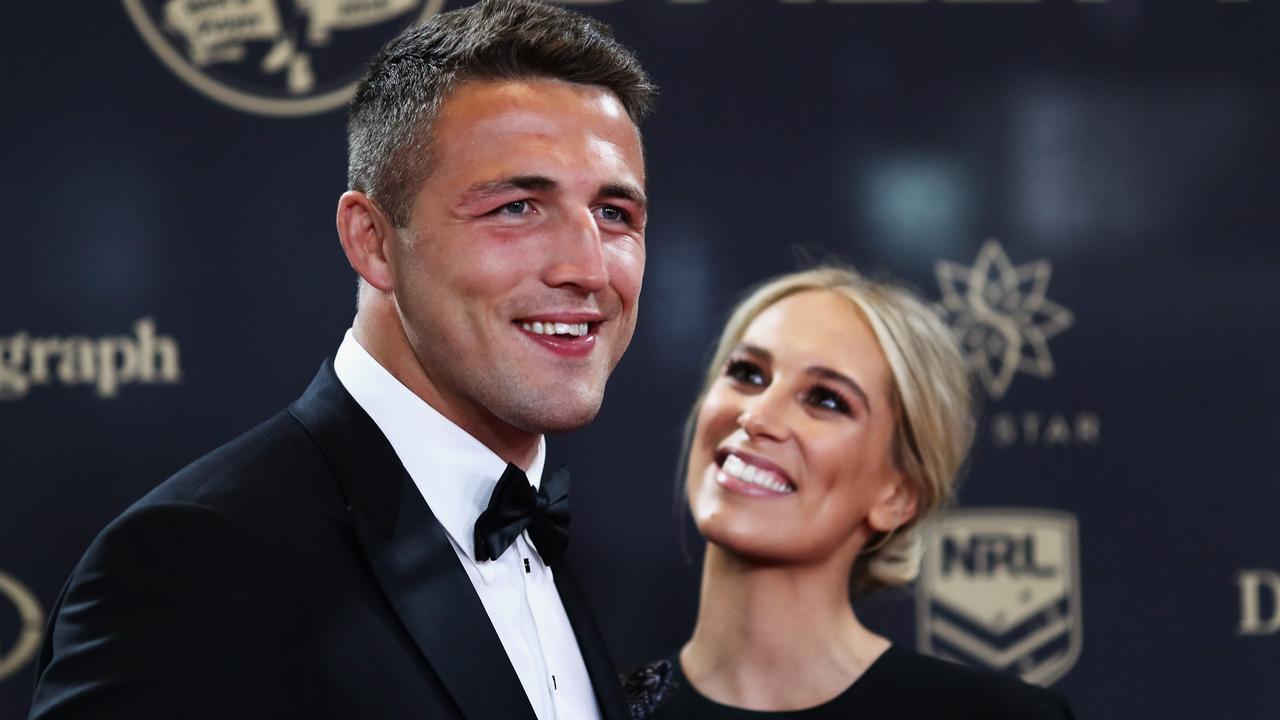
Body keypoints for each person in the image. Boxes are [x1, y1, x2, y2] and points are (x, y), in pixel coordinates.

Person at [29, 1, 655, 718]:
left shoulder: (572, 554)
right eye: (516, 207)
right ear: (373, 241)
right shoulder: (197, 564)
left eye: (615, 214)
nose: (588, 267)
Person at [624, 267, 1073, 719]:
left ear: (897, 494)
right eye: (747, 373)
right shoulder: (585, 705)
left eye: (826, 400)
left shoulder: (997, 715)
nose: (757, 416)